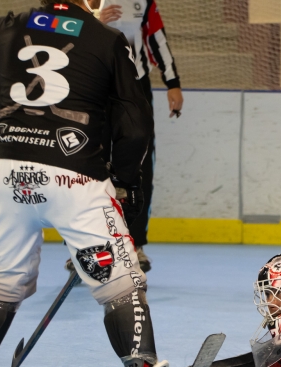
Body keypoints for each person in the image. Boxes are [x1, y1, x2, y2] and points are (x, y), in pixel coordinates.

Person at [0, 0, 189, 367]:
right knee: (121, 283)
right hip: (77, 176)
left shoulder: (8, 26)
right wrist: (125, 184)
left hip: (7, 173)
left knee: (1, 281)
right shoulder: (109, 40)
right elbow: (136, 125)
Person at [92, 0, 184, 272]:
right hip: (94, 85)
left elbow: (157, 39)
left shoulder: (144, 1)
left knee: (141, 165)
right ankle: (86, 244)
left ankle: (135, 244)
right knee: (89, 165)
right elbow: (65, 37)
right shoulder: (84, 2)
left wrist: (173, 83)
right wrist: (94, 22)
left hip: (135, 86)